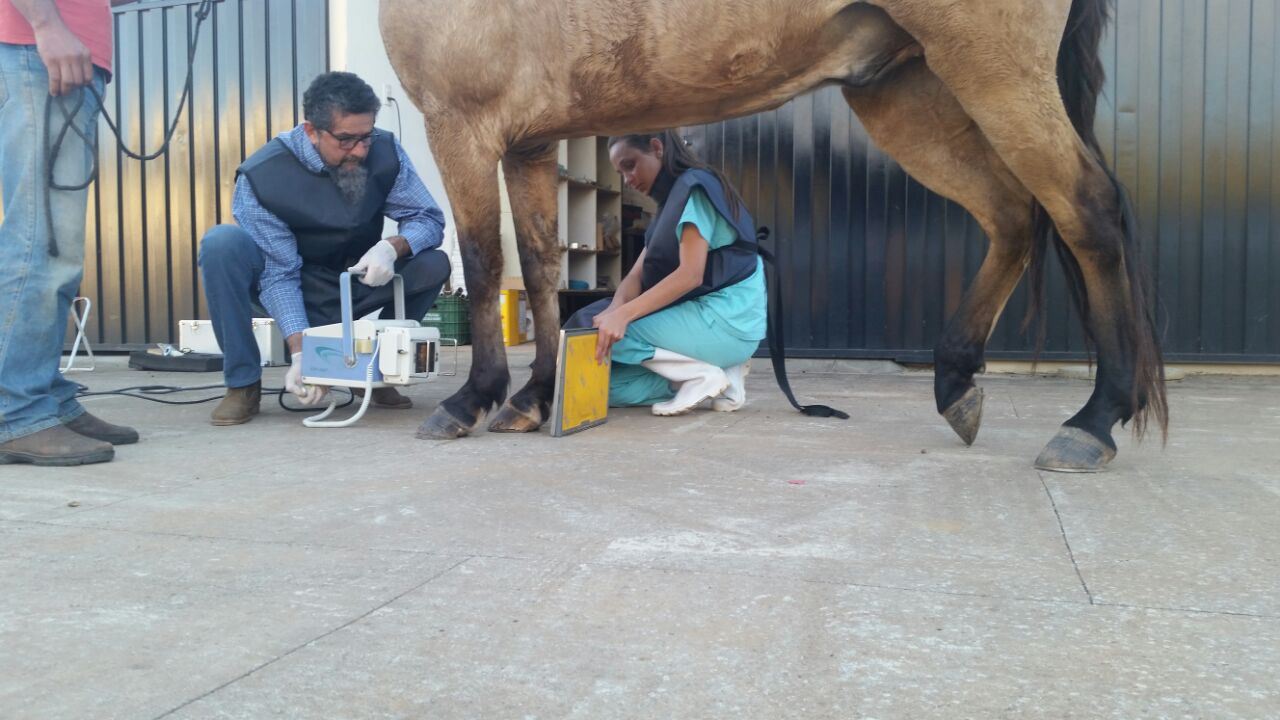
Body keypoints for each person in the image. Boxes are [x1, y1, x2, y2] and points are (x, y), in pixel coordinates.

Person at [198, 71, 449, 425]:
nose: (360, 150)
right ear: (311, 131)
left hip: (356, 280)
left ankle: (376, 369)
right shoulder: (262, 176)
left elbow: (428, 217)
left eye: (367, 136)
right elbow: (279, 274)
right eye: (346, 140)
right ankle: (243, 383)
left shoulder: (384, 150)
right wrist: (303, 355)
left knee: (433, 262)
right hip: (297, 284)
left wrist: (393, 247)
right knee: (221, 245)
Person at [0, 0, 140, 466]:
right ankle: (15, 413)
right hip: (38, 48)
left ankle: (45, 396)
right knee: (40, 240)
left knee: (58, 246)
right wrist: (47, 23)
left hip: (63, 54)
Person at [566, 130, 766, 415]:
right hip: (711, 323)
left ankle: (701, 375)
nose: (628, 179)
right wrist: (615, 308)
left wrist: (622, 317)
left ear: (657, 148)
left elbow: (690, 275)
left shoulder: (694, 192)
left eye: (630, 165)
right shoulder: (669, 205)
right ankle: (719, 373)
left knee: (591, 333)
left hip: (726, 320)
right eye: (620, 172)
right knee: (603, 383)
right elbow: (635, 276)